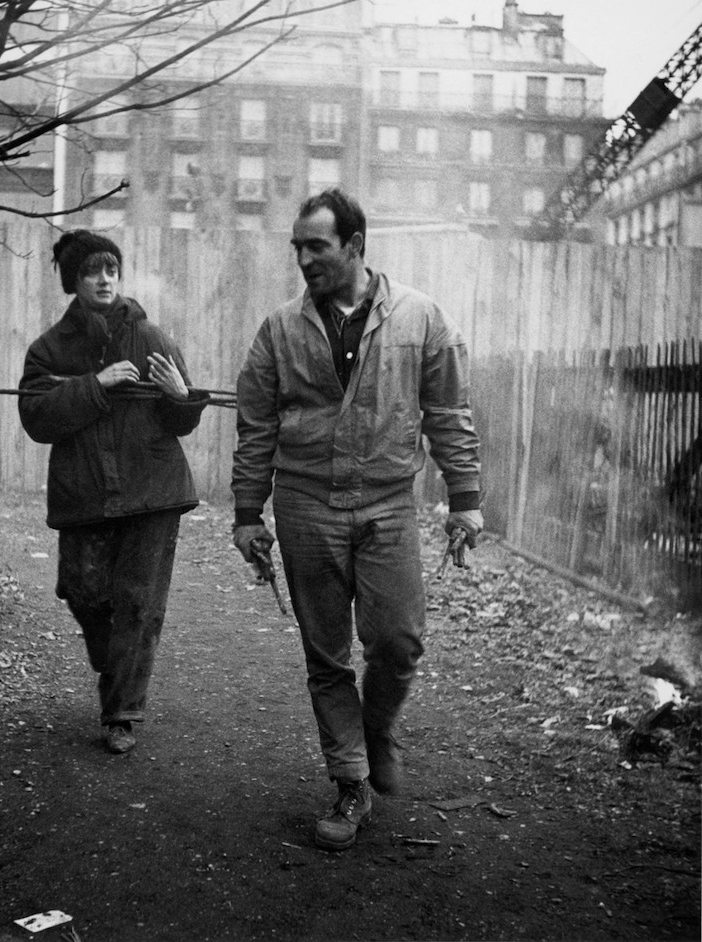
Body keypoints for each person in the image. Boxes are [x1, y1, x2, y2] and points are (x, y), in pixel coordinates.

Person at [231, 188, 483, 851]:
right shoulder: (279, 330)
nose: (304, 259)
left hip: (387, 502)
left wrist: (465, 498)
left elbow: (449, 414)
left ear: (355, 245)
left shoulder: (421, 318)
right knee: (327, 655)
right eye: (297, 248)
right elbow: (256, 428)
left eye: (317, 246)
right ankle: (350, 784)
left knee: (399, 642)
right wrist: (248, 514)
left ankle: (376, 731)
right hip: (306, 504)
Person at [18, 229, 208, 755]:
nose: (104, 280)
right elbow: (36, 418)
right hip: (85, 494)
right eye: (91, 272)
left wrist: (181, 397)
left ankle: (122, 713)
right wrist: (95, 384)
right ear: (72, 281)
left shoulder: (152, 338)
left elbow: (182, 419)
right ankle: (113, 661)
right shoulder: (50, 350)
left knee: (138, 604)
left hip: (152, 489)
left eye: (111, 270)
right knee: (82, 592)